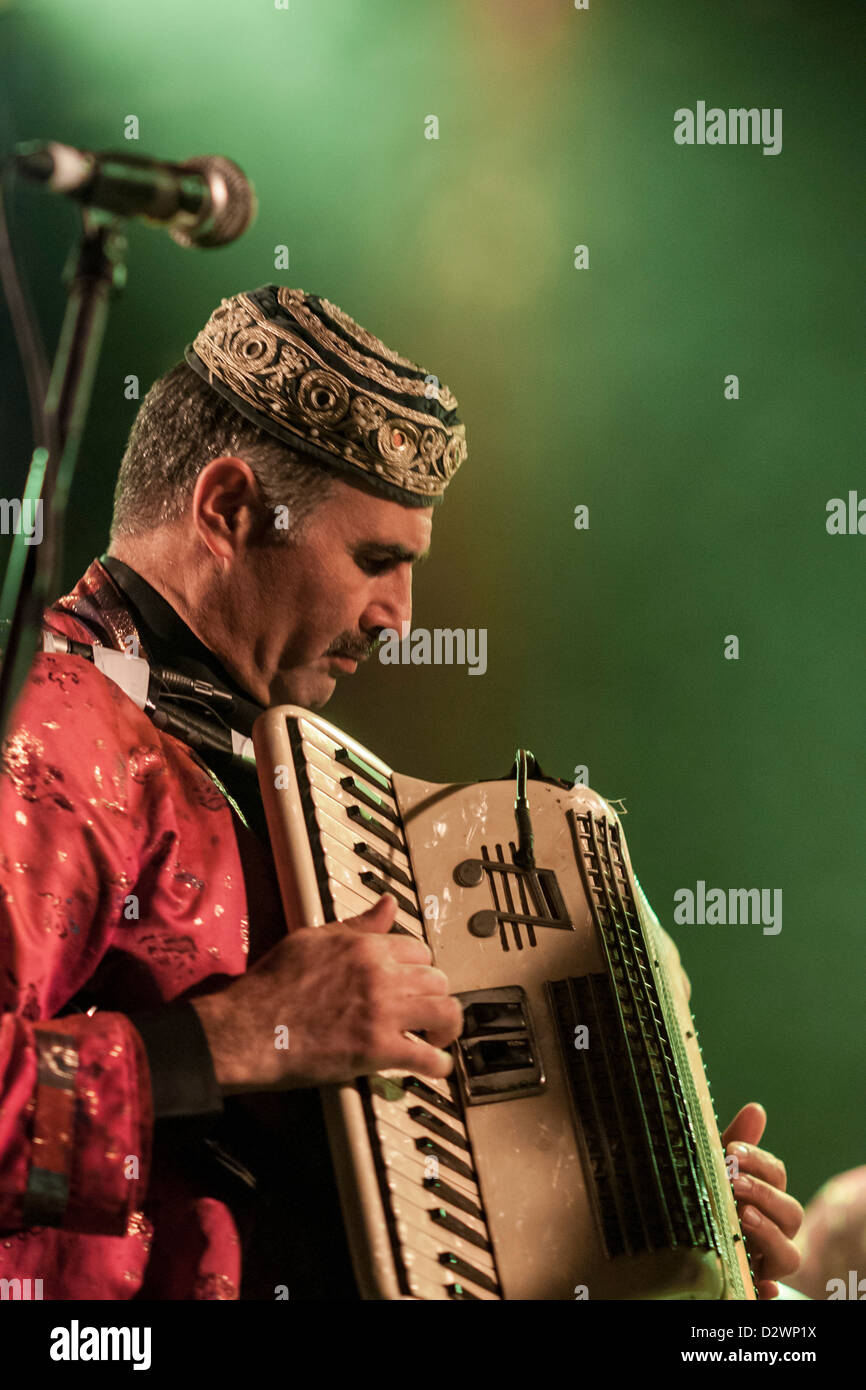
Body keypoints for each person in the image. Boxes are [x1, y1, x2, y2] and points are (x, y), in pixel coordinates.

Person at [0, 285, 802, 1299]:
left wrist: (643, 1223)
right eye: (375, 560)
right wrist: (235, 1037)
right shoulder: (48, 731)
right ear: (227, 510)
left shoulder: (265, 772)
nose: (400, 618)